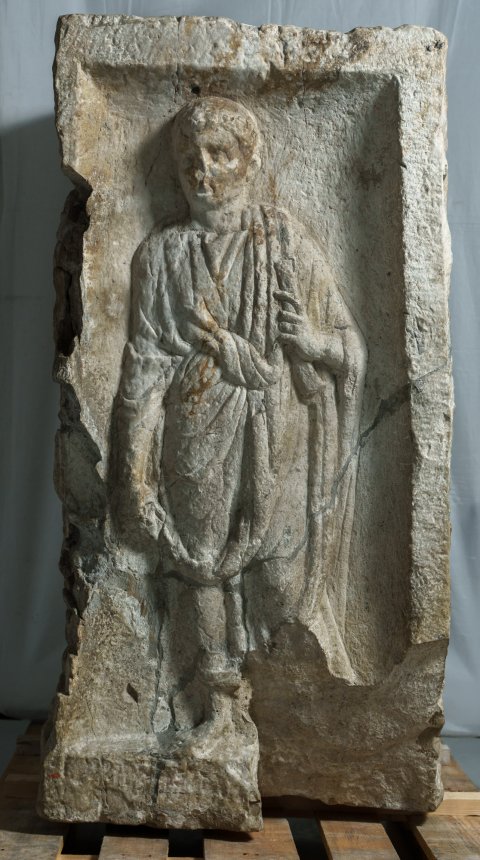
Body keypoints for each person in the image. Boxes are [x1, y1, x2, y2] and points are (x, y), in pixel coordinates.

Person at [113, 96, 367, 724]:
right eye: (189, 158)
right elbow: (143, 371)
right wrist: (135, 472)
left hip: (278, 437)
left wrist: (311, 341)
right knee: (201, 569)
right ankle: (218, 716)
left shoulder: (284, 242)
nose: (202, 170)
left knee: (280, 582)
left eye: (219, 154)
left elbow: (350, 349)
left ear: (249, 162)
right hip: (194, 435)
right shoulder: (161, 255)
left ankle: (289, 719)